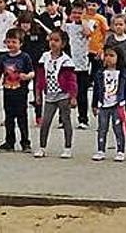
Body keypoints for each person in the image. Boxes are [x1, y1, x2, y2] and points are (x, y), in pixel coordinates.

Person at [34, 30, 78, 159]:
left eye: (56, 40)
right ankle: (42, 147)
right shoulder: (44, 57)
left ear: (63, 44)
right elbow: (40, 77)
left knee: (66, 121)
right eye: (51, 40)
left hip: (63, 95)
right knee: (45, 121)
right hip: (49, 95)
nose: (52, 43)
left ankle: (67, 147)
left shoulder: (66, 60)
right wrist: (38, 93)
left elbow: (71, 80)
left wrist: (73, 95)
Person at [0, 28, 34, 153]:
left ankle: (25, 142)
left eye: (14, 42)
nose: (11, 44)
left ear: (20, 43)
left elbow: (32, 72)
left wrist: (26, 77)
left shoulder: (25, 57)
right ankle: (9, 141)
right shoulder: (3, 57)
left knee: (22, 117)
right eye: (9, 42)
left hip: (20, 92)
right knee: (9, 118)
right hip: (7, 91)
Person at [91, 46, 126, 162]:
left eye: (112, 56)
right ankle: (100, 150)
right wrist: (94, 104)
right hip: (103, 104)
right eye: (106, 55)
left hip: (117, 104)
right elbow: (96, 89)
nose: (108, 58)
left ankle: (120, 150)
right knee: (102, 128)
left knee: (117, 128)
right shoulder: (100, 73)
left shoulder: (122, 74)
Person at [62, 0, 92, 129]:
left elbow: (88, 33)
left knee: (82, 93)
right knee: (64, 92)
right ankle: (63, 119)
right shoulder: (67, 26)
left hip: (82, 64)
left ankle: (83, 118)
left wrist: (83, 20)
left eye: (80, 13)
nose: (76, 15)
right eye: (74, 12)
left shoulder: (88, 24)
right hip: (67, 64)